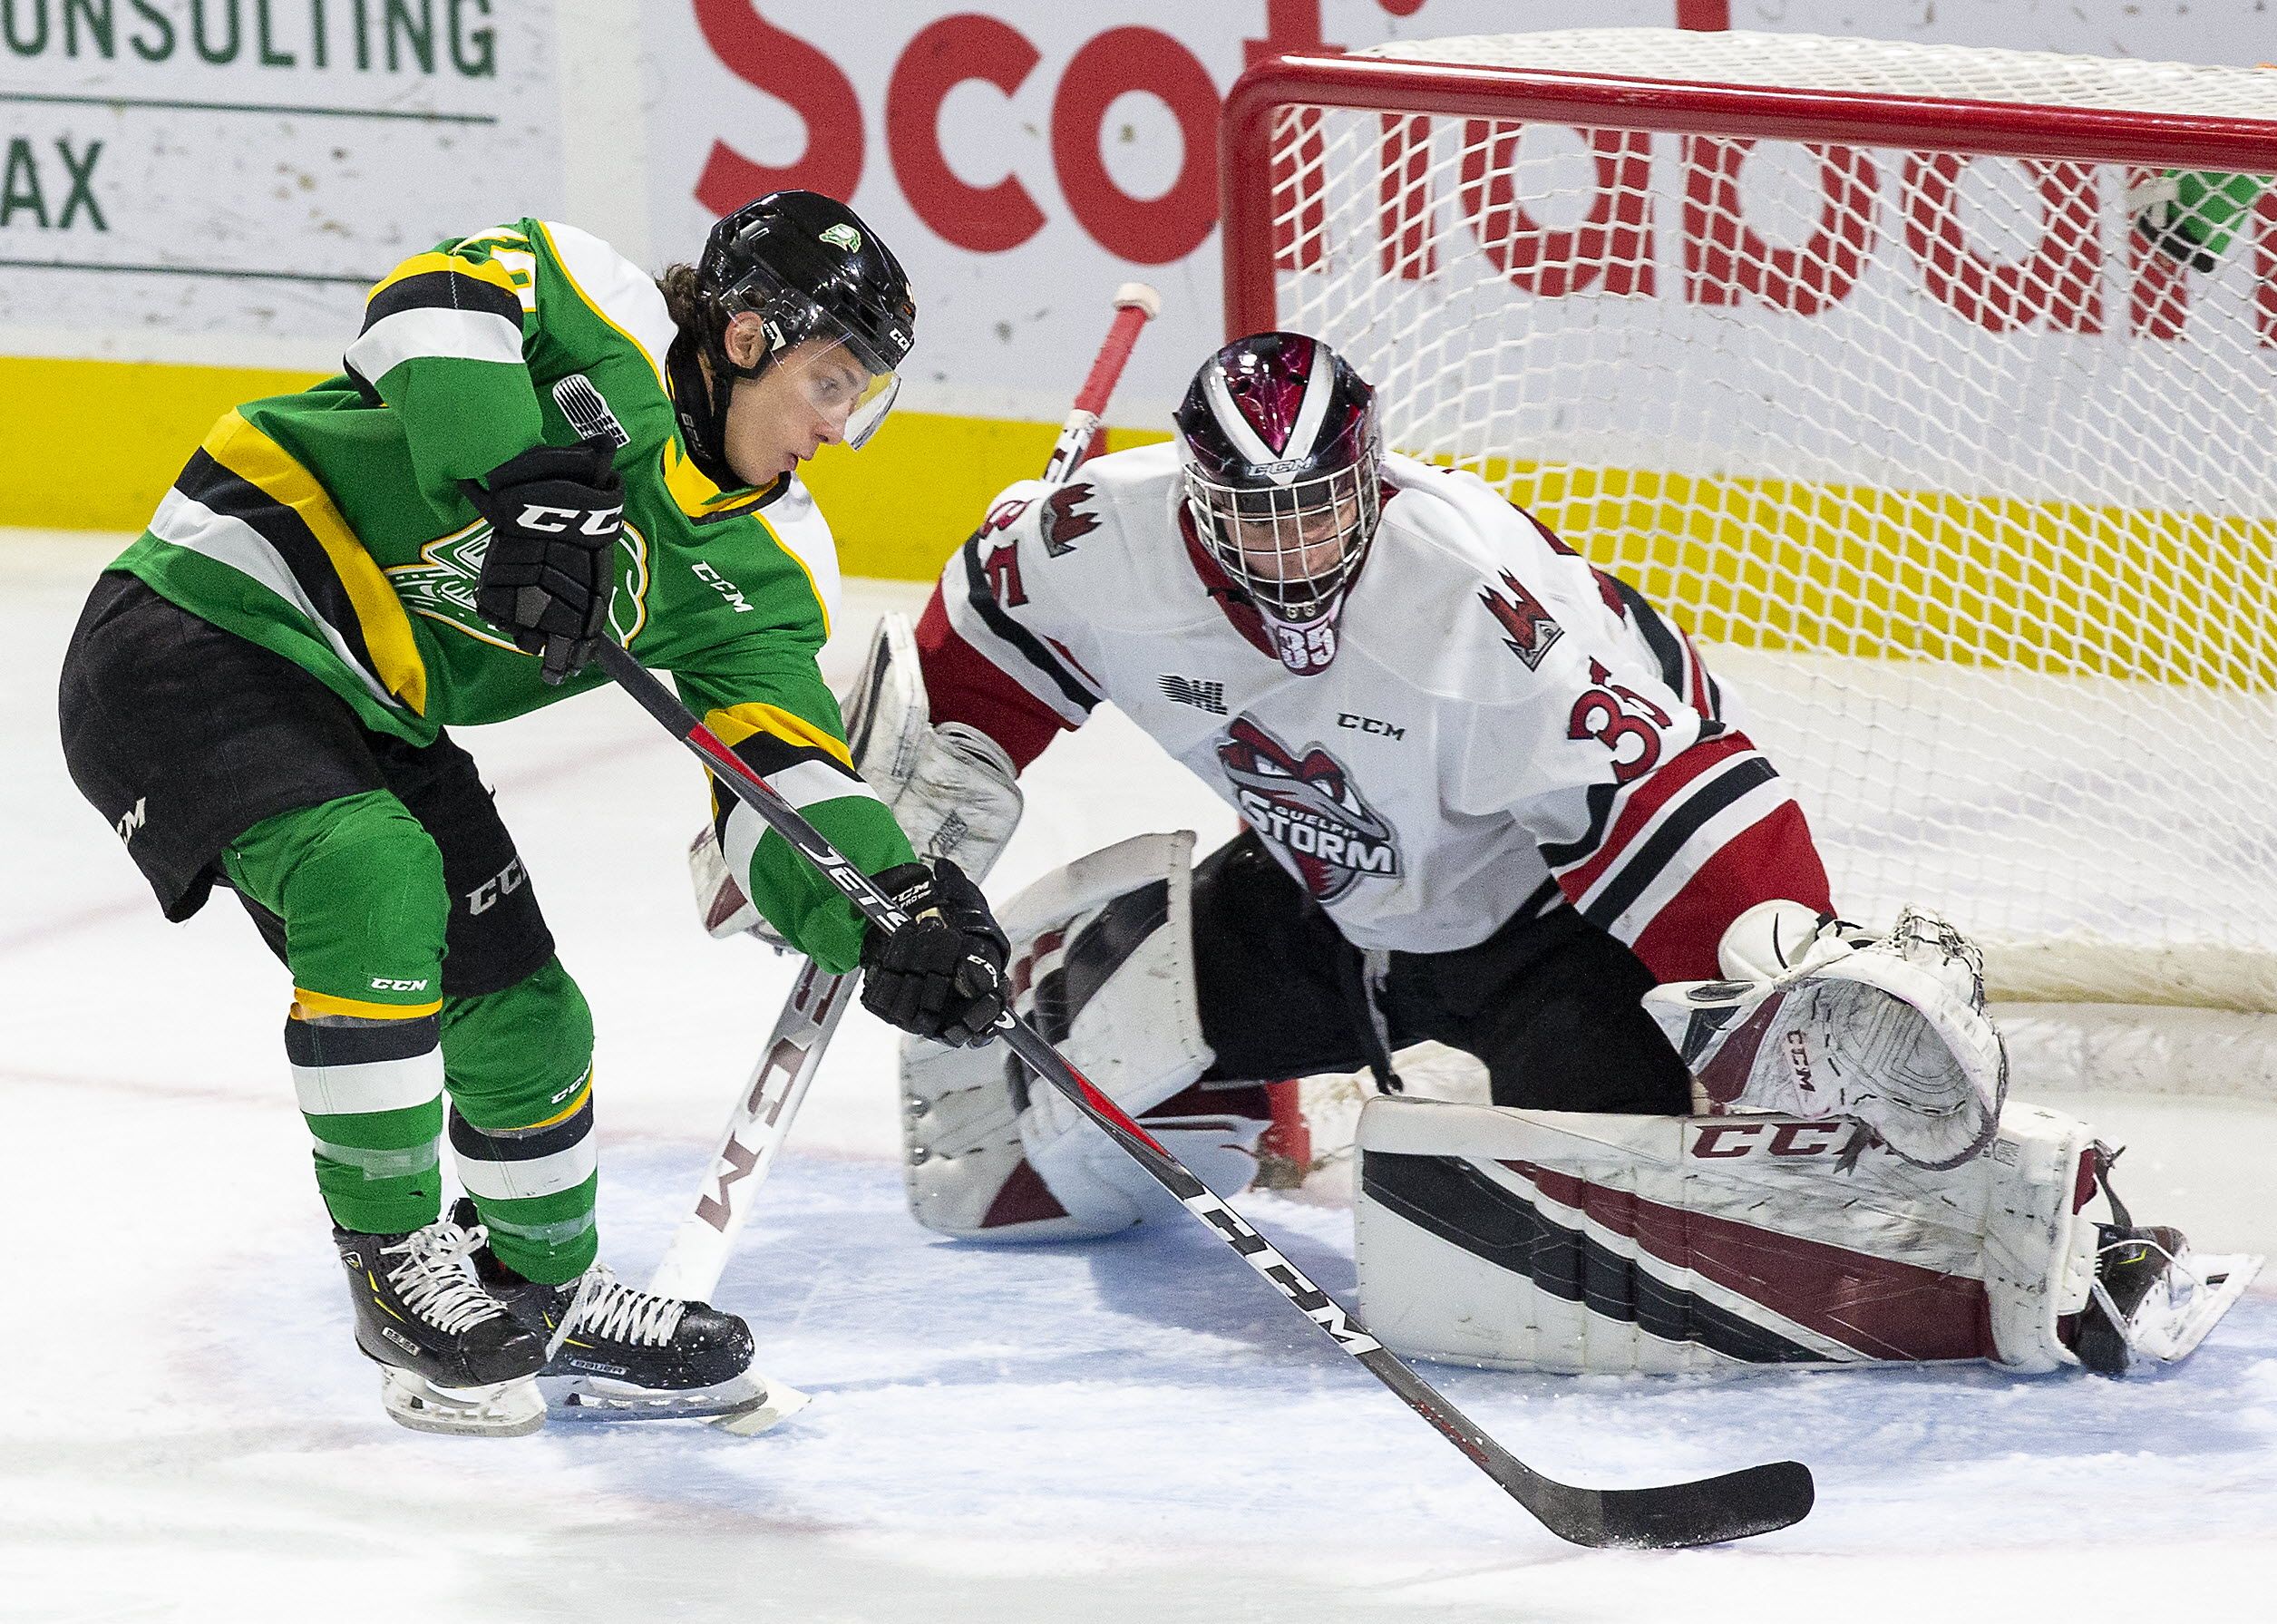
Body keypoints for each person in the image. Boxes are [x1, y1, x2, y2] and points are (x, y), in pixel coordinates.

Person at [855, 330, 2240, 1376]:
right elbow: (985, 639)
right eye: (1256, 514)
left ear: (1372, 472)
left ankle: (2046, 1226)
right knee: (1003, 1168)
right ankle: (1257, 1108)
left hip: (1548, 940)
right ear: (1198, 497)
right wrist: (906, 838)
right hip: (1322, 901)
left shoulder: (1481, 603)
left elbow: (1682, 805)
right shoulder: (1101, 534)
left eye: (1321, 508)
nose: (1292, 549)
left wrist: (1778, 983)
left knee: (1607, 1257)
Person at [57, 190, 1011, 1436]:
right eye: (831, 384)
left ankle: (539, 1289)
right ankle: (397, 1261)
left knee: (530, 1019)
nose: (840, 427)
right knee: (374, 872)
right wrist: (514, 472)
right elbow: (425, 307)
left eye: (862, 399)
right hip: (201, 620)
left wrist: (890, 907)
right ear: (742, 337)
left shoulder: (773, 564)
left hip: (379, 712)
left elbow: (779, 773)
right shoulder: (592, 300)